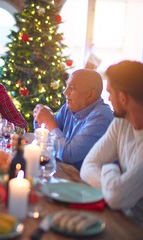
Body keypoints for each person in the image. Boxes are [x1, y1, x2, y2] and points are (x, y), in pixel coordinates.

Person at [80, 60, 143, 227]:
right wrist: (115, 185)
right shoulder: (121, 123)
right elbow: (88, 166)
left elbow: (116, 197)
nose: (108, 98)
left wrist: (110, 168)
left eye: (110, 93)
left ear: (123, 98)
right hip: (121, 218)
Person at [33, 69, 113, 169]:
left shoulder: (101, 117)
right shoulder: (70, 107)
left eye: (72, 88)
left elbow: (68, 154)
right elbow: (46, 137)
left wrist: (49, 122)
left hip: (88, 181)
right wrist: (40, 117)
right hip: (67, 172)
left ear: (90, 94)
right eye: (67, 86)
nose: (65, 92)